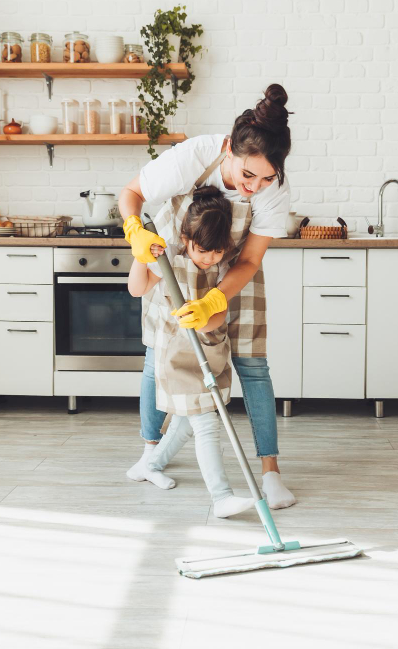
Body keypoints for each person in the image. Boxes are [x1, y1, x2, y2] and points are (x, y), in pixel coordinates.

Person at [121, 84, 297, 510]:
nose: (254, 187)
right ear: (229, 151)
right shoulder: (198, 155)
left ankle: (270, 473)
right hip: (177, 264)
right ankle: (151, 453)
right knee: (158, 357)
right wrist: (135, 234)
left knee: (253, 366)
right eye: (246, 175)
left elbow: (250, 259)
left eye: (267, 177)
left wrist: (216, 301)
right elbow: (132, 194)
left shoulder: (274, 191)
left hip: (236, 272)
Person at [126, 186, 255, 518]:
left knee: (187, 419)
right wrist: (141, 256)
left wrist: (207, 314)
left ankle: (150, 465)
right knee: (205, 422)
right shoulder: (167, 258)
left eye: (215, 252)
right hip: (175, 353)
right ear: (185, 237)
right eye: (200, 250)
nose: (207, 258)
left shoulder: (223, 265)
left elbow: (221, 313)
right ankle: (222, 496)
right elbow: (136, 289)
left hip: (209, 349)